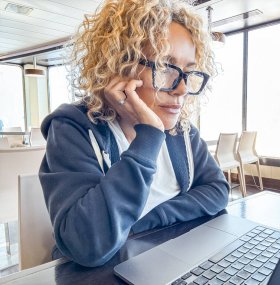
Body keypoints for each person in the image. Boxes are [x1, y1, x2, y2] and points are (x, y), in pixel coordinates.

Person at [39, 0, 229, 267]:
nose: (182, 89)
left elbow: (217, 190)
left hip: (164, 257)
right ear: (121, 66)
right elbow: (87, 245)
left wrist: (144, 221)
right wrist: (148, 137)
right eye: (165, 68)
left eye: (188, 73)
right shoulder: (73, 128)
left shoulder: (181, 129)